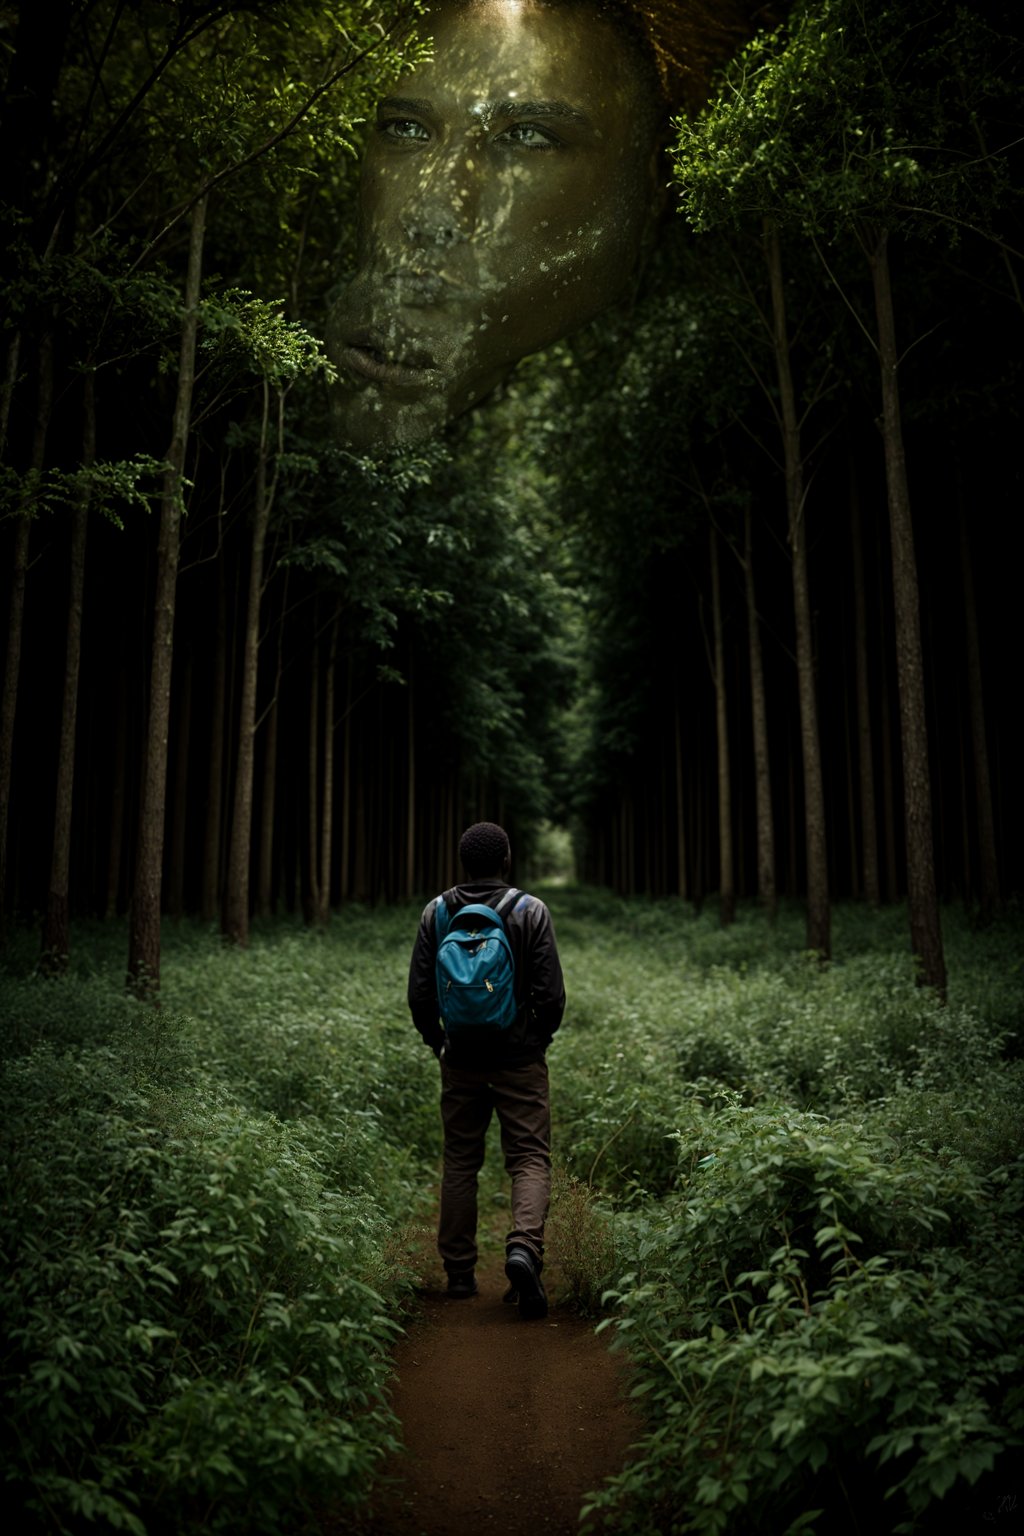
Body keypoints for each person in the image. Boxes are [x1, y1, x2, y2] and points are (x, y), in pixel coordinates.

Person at [407, 820, 566, 1318]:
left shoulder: (436, 912)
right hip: (519, 1059)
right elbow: (552, 996)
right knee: (528, 1159)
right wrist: (535, 1041)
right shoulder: (529, 910)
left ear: (462, 862)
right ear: (506, 860)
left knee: (460, 1161)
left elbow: (418, 996)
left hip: (462, 1060)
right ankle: (523, 1249)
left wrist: (440, 1043)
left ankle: (458, 1274)